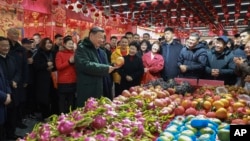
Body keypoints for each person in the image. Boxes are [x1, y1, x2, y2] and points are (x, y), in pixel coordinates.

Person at [75, 27, 118, 107]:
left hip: (104, 86)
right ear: (91, 35)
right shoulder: (82, 48)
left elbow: (104, 65)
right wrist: (105, 68)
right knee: (90, 113)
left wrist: (112, 66)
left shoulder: (102, 51)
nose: (102, 40)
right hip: (90, 88)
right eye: (100, 37)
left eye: (103, 38)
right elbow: (85, 65)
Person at [0, 36, 20, 140]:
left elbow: (17, 71)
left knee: (12, 113)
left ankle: (11, 134)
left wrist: (15, 80)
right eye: (3, 46)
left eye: (7, 45)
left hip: (12, 90)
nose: (6, 48)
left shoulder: (11, 58)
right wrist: (9, 83)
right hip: (2, 92)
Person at [33, 37, 57, 119]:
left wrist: (53, 67)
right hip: (42, 80)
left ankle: (54, 115)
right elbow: (36, 66)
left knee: (53, 97)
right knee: (44, 98)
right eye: (47, 43)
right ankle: (45, 115)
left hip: (52, 78)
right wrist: (46, 65)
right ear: (43, 44)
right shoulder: (38, 54)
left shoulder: (53, 53)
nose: (49, 44)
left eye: (50, 43)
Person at [55, 37, 76, 113]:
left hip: (73, 81)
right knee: (62, 102)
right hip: (63, 82)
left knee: (71, 101)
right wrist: (69, 62)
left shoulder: (74, 53)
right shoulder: (59, 53)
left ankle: (71, 117)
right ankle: (62, 118)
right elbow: (59, 67)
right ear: (64, 44)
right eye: (69, 43)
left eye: (72, 44)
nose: (71, 45)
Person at [0, 37, 12, 140]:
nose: (5, 48)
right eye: (3, 45)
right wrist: (4, 96)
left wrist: (8, 93)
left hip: (3, 99)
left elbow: (4, 79)